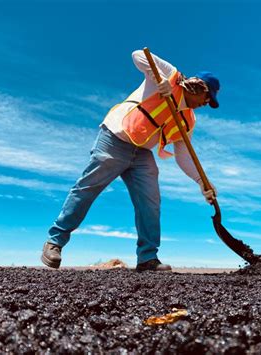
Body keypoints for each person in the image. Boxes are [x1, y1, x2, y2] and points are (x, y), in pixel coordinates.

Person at [41, 49, 220, 271]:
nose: (206, 103)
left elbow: (184, 155)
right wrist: (160, 80)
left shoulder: (188, 120)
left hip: (142, 154)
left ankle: (147, 258)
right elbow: (138, 55)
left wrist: (203, 182)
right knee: (87, 188)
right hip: (115, 138)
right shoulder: (171, 75)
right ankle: (55, 242)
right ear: (199, 87)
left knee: (151, 202)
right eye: (207, 97)